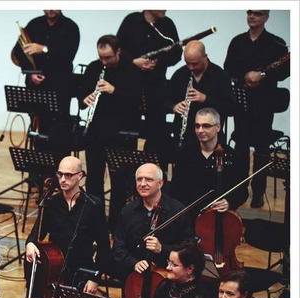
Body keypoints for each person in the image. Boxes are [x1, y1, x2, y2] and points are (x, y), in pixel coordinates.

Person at [24, 156, 109, 298]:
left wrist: (95, 277)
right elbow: (35, 234)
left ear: (80, 176)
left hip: (82, 272)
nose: (62, 179)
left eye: (68, 175)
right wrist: (30, 244)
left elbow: (104, 247)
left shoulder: (93, 206)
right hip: (55, 272)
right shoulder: (51, 203)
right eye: (60, 174)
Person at [224, 9, 290, 209]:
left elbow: (285, 70)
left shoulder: (277, 43)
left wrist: (262, 75)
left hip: (264, 104)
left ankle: (259, 192)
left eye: (258, 14)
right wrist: (245, 77)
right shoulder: (237, 42)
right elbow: (228, 68)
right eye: (250, 13)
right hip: (242, 101)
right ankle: (240, 190)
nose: (252, 16)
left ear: (266, 17)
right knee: (241, 146)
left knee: (261, 147)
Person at [79, 34, 141, 233]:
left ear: (118, 52)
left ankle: (116, 226)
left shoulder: (131, 70)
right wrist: (85, 99)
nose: (104, 62)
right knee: (94, 179)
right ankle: (94, 223)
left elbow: (137, 101)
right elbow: (81, 96)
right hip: (96, 132)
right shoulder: (94, 68)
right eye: (101, 58)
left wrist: (114, 90)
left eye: (108, 57)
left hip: (121, 135)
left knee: (119, 182)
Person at [111, 163, 194, 282]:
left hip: (169, 278)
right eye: (139, 179)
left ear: (160, 183)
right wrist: (134, 263)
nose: (142, 184)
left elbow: (189, 248)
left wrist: (162, 249)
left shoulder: (177, 210)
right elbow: (118, 249)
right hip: (134, 279)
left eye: (149, 180)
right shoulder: (127, 211)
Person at [116, 10, 181, 161]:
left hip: (155, 88)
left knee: (156, 134)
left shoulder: (168, 25)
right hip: (131, 87)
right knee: (128, 132)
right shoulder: (131, 21)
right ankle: (126, 170)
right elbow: (118, 51)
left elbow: (176, 54)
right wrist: (134, 62)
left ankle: (153, 169)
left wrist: (159, 61)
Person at [171, 107, 249, 221]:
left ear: (218, 127)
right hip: (189, 217)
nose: (200, 130)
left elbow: (242, 191)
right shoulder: (185, 154)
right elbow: (176, 189)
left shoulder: (233, 157)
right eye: (197, 126)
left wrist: (229, 202)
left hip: (220, 218)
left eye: (206, 126)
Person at [12, 10, 80, 130]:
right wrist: (31, 72)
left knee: (59, 124)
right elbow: (19, 52)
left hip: (60, 85)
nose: (50, 8)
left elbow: (68, 55)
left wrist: (44, 49)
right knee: (36, 124)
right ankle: (36, 142)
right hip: (36, 85)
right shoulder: (34, 24)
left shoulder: (71, 27)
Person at [166, 41, 235, 153]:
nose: (191, 68)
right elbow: (164, 101)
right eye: (187, 63)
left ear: (205, 57)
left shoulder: (220, 76)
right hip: (184, 139)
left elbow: (230, 108)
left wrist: (205, 99)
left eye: (195, 64)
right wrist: (173, 107)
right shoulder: (181, 74)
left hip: (211, 141)